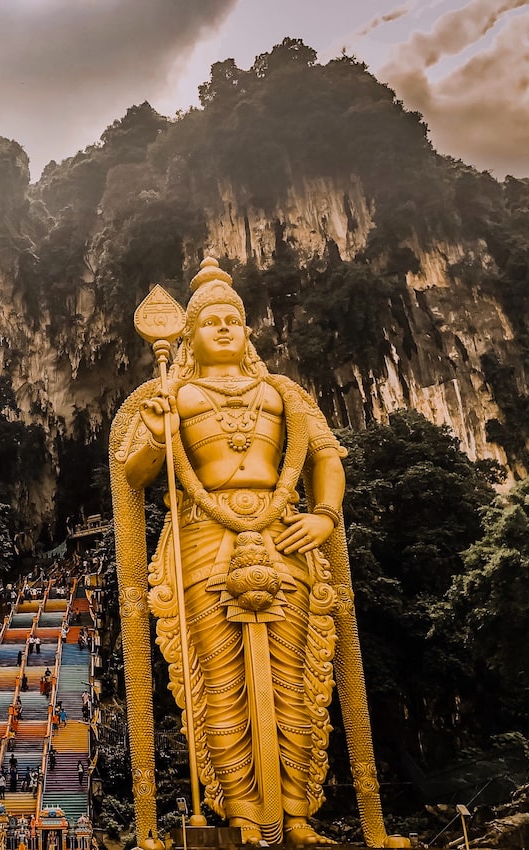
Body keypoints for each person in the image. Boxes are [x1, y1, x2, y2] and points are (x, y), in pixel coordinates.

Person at [111, 258, 358, 846]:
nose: (223, 328)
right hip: (202, 535)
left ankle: (296, 816)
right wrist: (154, 429)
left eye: (233, 319)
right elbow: (135, 473)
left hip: (283, 533)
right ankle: (244, 817)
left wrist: (323, 515)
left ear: (248, 332)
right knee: (217, 682)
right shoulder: (173, 393)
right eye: (210, 321)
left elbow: (325, 456)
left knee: (296, 677)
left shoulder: (282, 393)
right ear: (190, 336)